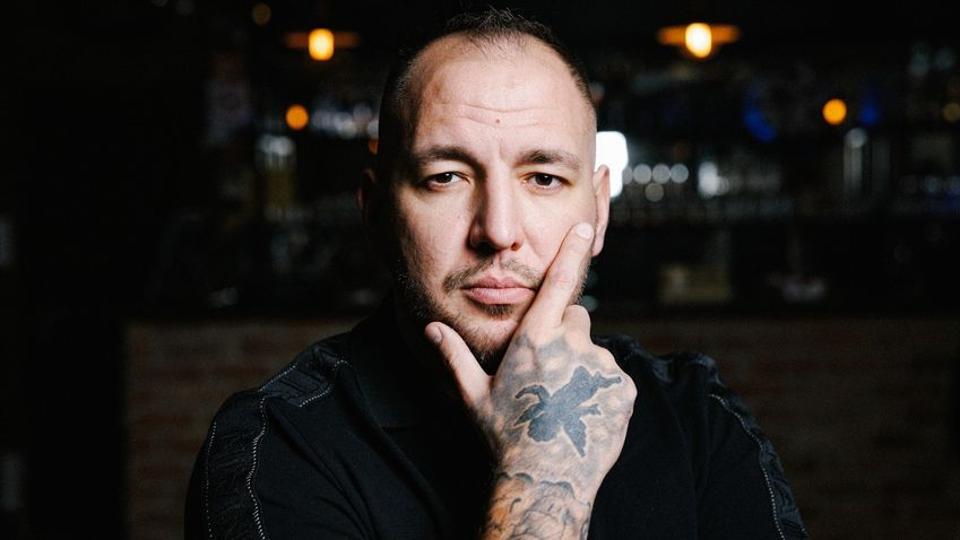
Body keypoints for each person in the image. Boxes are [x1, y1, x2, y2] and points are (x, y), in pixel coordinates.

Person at [186, 8, 807, 539]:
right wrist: (542, 471)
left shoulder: (696, 419)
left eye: (544, 178)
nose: (498, 229)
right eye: (446, 176)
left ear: (599, 210)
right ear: (376, 212)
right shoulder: (279, 445)